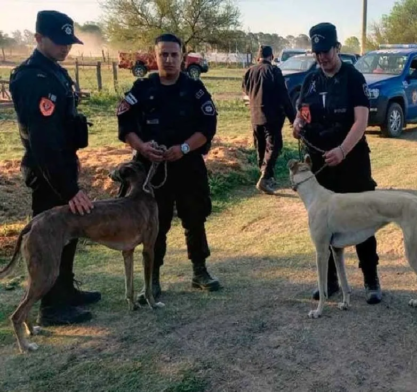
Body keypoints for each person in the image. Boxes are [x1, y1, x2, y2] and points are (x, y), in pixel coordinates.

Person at [9, 10, 101, 326]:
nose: (66, 48)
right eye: (59, 42)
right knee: (49, 238)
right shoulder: (33, 77)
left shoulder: (56, 71)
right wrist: (69, 190)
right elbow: (44, 142)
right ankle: (51, 307)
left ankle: (65, 289)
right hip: (48, 172)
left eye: (69, 42)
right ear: (38, 38)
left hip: (63, 164)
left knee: (69, 231)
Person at [116, 33, 221, 303]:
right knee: (154, 225)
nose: (170, 59)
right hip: (151, 171)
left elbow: (207, 127)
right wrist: (142, 147)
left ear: (182, 58)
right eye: (164, 54)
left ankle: (200, 271)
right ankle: (152, 280)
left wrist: (184, 148)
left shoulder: (195, 89)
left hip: (188, 166)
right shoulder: (141, 89)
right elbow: (126, 125)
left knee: (195, 218)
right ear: (155, 56)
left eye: (175, 55)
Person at [292, 22, 382, 305]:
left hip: (351, 159)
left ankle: (371, 279)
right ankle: (328, 281)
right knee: (324, 224)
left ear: (337, 48)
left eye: (326, 52)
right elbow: (302, 113)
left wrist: (343, 150)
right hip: (320, 162)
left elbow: (361, 121)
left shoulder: (353, 78)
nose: (322, 58)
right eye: (317, 53)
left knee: (362, 216)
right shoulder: (310, 80)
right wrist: (297, 123)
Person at [242, 45, 296, 194]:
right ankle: (265, 177)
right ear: (272, 57)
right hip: (271, 116)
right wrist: (293, 118)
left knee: (260, 146)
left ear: (258, 57)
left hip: (255, 115)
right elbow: (284, 97)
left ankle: (266, 176)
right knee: (274, 145)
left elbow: (245, 89)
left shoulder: (249, 72)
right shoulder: (274, 71)